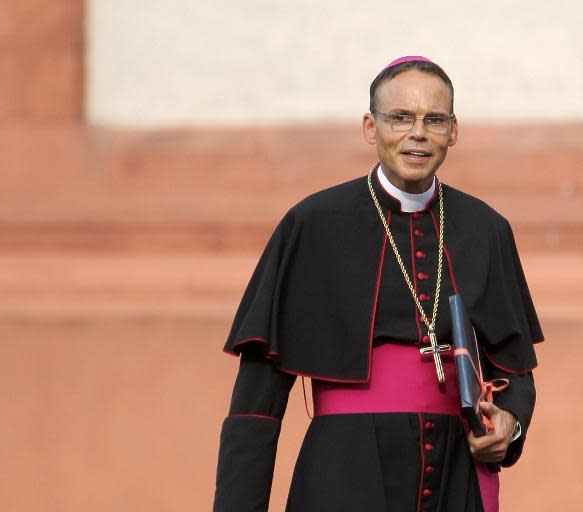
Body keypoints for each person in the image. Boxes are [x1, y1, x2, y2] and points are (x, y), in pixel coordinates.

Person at [213, 56, 544, 512]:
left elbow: (514, 371)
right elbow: (256, 403)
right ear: (371, 127)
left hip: (453, 476)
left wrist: (511, 426)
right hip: (343, 475)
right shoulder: (314, 225)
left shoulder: (485, 229)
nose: (418, 133)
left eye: (434, 119)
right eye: (401, 117)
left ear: (453, 131)